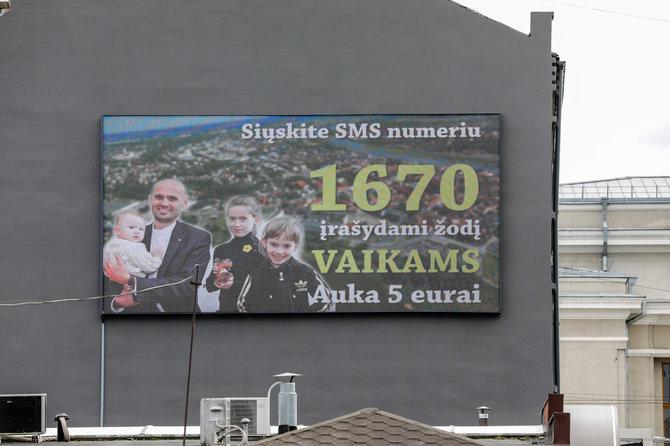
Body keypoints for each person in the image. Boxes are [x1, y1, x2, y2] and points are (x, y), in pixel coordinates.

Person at [104, 179, 211, 313]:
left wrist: (131, 281)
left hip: (179, 320)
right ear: (151, 200)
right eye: (159, 197)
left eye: (172, 198)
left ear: (184, 204)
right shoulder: (130, 236)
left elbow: (188, 283)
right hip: (135, 321)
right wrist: (117, 303)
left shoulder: (197, 238)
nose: (164, 203)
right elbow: (108, 279)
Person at [237, 216, 332, 313]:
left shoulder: (306, 272)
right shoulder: (256, 275)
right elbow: (242, 305)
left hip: (298, 328)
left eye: (286, 246)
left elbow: (327, 299)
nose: (279, 251)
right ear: (265, 242)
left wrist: (305, 318)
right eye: (274, 244)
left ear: (295, 247)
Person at [204, 196, 264, 312]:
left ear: (256, 220)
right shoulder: (221, 250)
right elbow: (209, 287)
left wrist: (233, 284)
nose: (236, 224)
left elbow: (266, 289)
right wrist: (218, 279)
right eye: (232, 219)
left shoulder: (262, 250)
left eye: (243, 219)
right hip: (227, 313)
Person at [103, 211, 162, 278]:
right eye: (131, 227)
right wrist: (157, 258)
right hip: (132, 281)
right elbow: (149, 267)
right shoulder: (134, 247)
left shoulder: (110, 245)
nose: (137, 231)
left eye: (141, 229)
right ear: (117, 230)